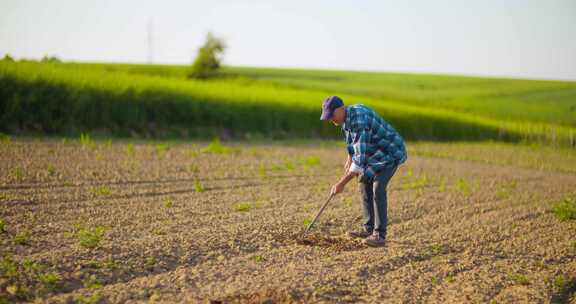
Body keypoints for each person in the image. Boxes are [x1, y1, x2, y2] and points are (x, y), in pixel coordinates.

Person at [320, 96, 407, 247]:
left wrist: (341, 183)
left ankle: (379, 235)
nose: (331, 120)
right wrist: (349, 157)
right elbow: (353, 142)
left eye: (331, 115)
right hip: (373, 153)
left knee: (378, 188)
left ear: (341, 109)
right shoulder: (345, 118)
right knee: (363, 182)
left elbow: (359, 161)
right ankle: (368, 228)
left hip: (389, 152)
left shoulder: (358, 119)